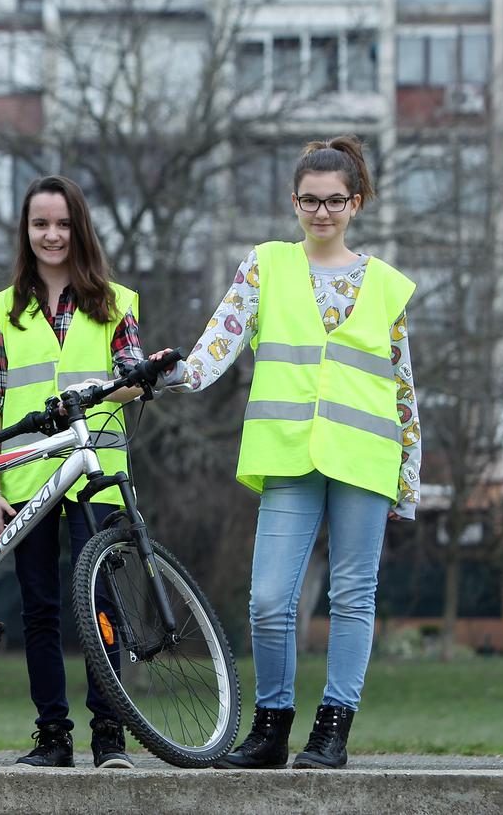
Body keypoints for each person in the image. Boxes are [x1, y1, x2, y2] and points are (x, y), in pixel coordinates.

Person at [155, 136, 421, 770]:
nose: (321, 211)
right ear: (293, 200)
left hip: (365, 456)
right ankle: (271, 728)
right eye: (309, 200)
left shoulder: (385, 284)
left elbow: (404, 387)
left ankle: (333, 731)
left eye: (334, 200)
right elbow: (217, 343)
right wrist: (170, 376)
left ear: (356, 203)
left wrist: (407, 479)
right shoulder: (266, 265)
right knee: (269, 598)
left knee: (354, 596)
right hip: (288, 455)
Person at [0, 175, 144, 769]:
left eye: (63, 223)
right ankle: (52, 736)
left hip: (98, 469)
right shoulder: (2, 308)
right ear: (26, 231)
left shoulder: (116, 302)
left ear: (80, 228)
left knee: (102, 600)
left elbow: (130, 379)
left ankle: (110, 736)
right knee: (39, 607)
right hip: (27, 475)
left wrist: (130, 379)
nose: (52, 235)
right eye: (40, 224)